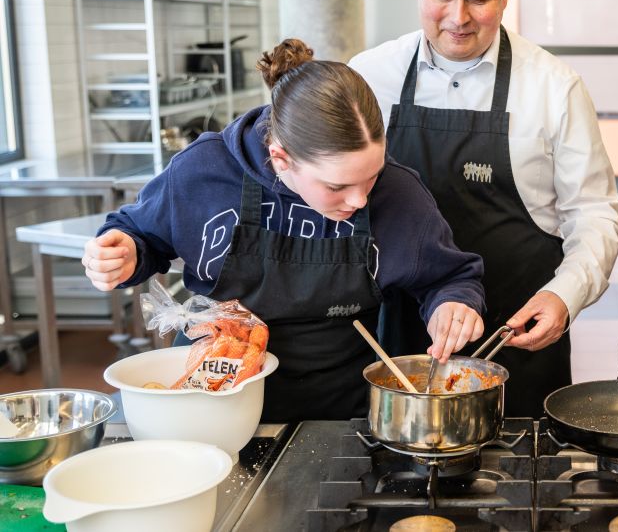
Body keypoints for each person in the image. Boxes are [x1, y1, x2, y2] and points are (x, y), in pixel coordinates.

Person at [82, 39, 487, 423]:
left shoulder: (399, 193)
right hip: (211, 396)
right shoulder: (202, 171)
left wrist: (452, 303)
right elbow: (139, 234)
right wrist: (124, 254)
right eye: (337, 187)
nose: (360, 200)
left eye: (371, 177)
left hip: (334, 409)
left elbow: (449, 276)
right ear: (281, 158)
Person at [349, 0, 618, 418]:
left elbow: (595, 215)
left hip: (516, 336)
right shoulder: (367, 78)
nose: (458, 17)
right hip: (399, 342)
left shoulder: (553, 87)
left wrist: (565, 297)